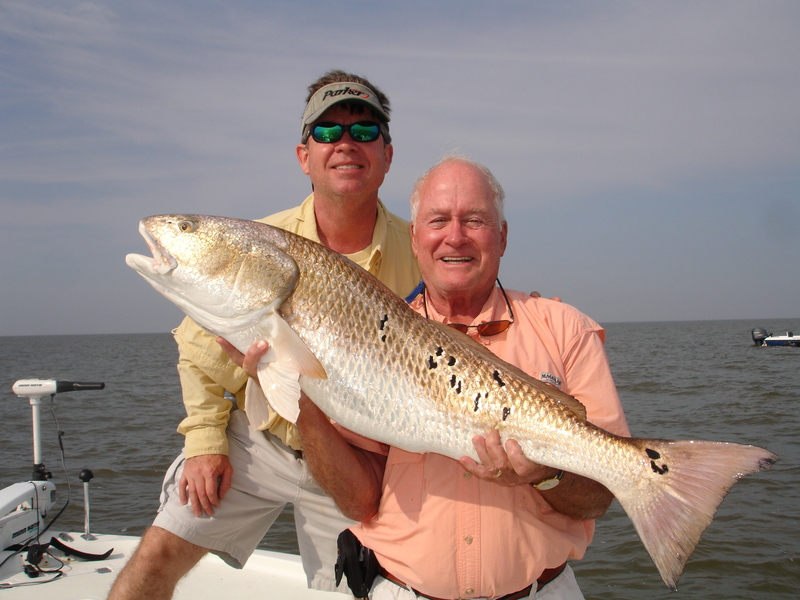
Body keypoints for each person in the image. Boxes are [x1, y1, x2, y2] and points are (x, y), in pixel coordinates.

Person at [107, 70, 421, 600]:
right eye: (327, 133)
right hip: (260, 442)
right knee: (157, 555)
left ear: (387, 155)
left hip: (355, 459)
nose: (346, 143)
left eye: (364, 132)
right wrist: (206, 442)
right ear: (304, 156)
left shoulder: (423, 255)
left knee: (351, 592)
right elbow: (196, 348)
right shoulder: (255, 246)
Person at [266, 156, 630, 600]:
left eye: (474, 220)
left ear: (502, 237)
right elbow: (358, 501)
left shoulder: (565, 329)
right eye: (438, 220)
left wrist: (546, 474)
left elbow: (600, 496)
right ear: (415, 238)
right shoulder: (365, 336)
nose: (454, 236)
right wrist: (298, 389)